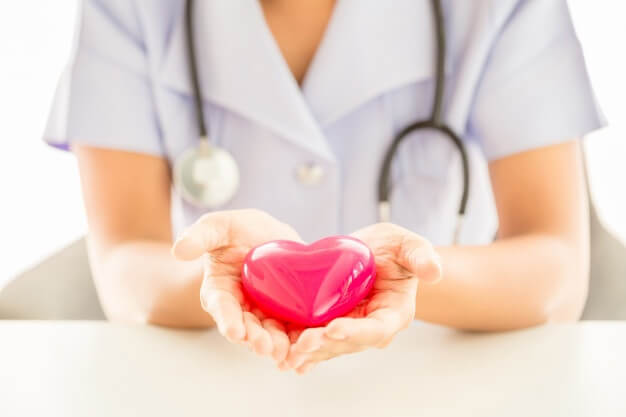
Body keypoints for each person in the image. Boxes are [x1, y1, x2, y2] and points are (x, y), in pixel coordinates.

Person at [44, 0, 604, 374]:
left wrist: (402, 276)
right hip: (212, 374)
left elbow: (556, 266)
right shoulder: (126, 9)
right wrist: (234, 278)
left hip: (452, 368)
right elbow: (123, 264)